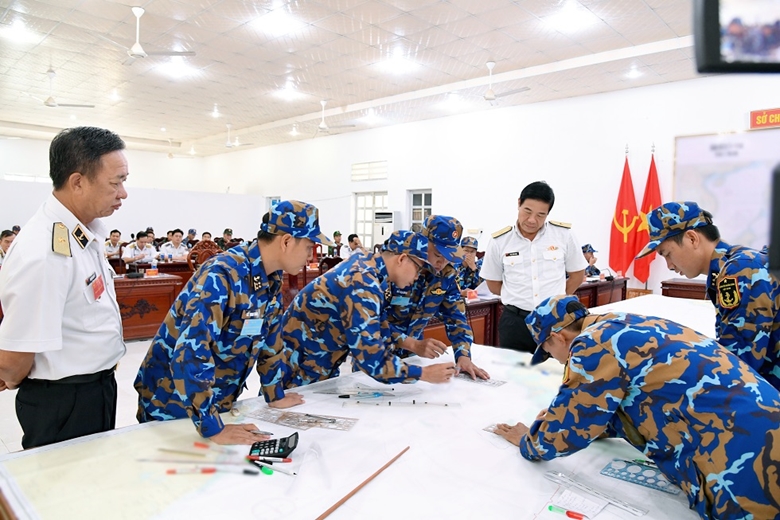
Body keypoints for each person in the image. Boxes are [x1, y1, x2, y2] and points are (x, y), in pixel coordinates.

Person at [493, 294, 780, 520]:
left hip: (743, 457)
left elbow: (566, 432)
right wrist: (579, 418)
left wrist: (528, 440)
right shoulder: (625, 323)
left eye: (549, 352)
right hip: (764, 422)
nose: (557, 361)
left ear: (557, 337)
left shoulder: (591, 344)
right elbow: (634, 395)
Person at [134, 200, 333, 444]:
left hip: (215, 404)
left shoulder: (270, 278)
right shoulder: (222, 274)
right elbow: (190, 354)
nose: (310, 256)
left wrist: (275, 395)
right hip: (172, 405)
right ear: (286, 241)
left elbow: (270, 340)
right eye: (309, 247)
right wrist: (213, 427)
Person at [0, 126, 128, 449]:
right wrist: (12, 376)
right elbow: (14, 358)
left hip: (93, 389)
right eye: (116, 183)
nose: (123, 193)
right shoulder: (44, 252)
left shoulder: (81, 233)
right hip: (64, 402)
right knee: (63, 479)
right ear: (78, 182)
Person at [265, 230, 458, 402]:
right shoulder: (363, 283)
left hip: (316, 366)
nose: (417, 277)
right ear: (402, 259)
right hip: (296, 375)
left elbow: (377, 325)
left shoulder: (369, 268)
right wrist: (423, 373)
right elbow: (372, 359)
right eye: (418, 269)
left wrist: (413, 345)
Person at [637, 201, 780, 390]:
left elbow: (738, 366)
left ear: (692, 239)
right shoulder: (733, 266)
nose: (669, 266)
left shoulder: (741, 270)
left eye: (667, 254)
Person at [481, 181, 587, 353]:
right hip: (515, 323)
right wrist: (517, 296)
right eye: (527, 211)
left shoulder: (563, 235)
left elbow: (577, 274)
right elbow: (493, 284)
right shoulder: (500, 241)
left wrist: (556, 301)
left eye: (540, 215)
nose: (532, 220)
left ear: (548, 214)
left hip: (555, 320)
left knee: (555, 367)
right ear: (519, 203)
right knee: (514, 368)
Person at [386, 216, 489, 379]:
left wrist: (463, 356)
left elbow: (456, 317)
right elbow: (371, 320)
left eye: (449, 256)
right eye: (437, 254)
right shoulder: (395, 266)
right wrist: (412, 344)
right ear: (422, 243)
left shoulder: (446, 275)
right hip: (377, 356)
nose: (442, 262)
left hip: (413, 358)